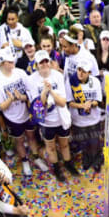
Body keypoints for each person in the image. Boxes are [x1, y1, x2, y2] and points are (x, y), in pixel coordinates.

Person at [0, 47, 49, 176]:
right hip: (12, 118)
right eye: (9, 62)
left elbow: (31, 92)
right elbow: (1, 107)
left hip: (26, 113)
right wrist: (11, 99)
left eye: (12, 61)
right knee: (19, 140)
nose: (13, 63)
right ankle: (24, 161)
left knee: (31, 136)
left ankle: (36, 157)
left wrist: (22, 97)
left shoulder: (20, 73)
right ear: (2, 64)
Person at [27, 50, 76, 181]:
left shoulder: (58, 76)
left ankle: (68, 163)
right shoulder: (31, 80)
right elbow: (38, 107)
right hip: (46, 122)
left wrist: (51, 92)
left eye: (46, 61)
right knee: (50, 147)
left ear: (49, 62)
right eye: (41, 62)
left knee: (65, 145)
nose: (44, 64)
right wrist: (44, 92)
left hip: (60, 119)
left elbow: (62, 101)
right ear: (36, 65)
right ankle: (56, 167)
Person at [66, 55, 105, 171]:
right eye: (79, 69)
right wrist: (82, 105)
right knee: (83, 142)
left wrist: (90, 104)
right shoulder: (71, 82)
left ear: (89, 72)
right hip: (79, 120)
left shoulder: (96, 82)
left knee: (95, 142)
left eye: (84, 71)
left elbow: (98, 100)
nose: (80, 73)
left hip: (94, 119)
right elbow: (69, 102)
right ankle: (87, 160)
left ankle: (97, 161)